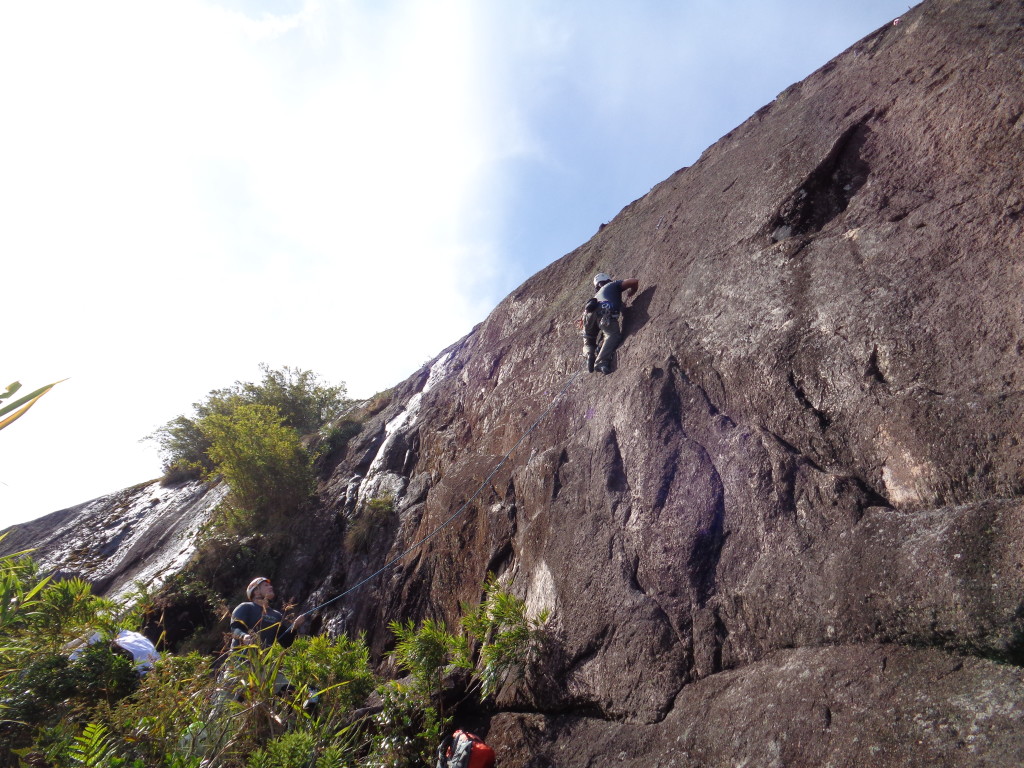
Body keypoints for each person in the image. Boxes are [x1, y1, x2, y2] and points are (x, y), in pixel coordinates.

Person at [580, 272, 639, 374]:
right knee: (612, 335)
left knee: (589, 341)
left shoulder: (596, 296)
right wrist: (632, 291)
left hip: (587, 316)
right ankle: (601, 362)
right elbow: (633, 281)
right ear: (608, 280)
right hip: (604, 311)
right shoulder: (612, 285)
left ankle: (589, 353)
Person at [229, 576, 307, 652]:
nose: (271, 587)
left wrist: (294, 627)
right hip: (239, 659)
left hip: (262, 660)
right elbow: (235, 628)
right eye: (266, 585)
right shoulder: (245, 607)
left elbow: (286, 643)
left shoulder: (277, 615)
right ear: (256, 591)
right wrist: (243, 636)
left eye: (270, 585)